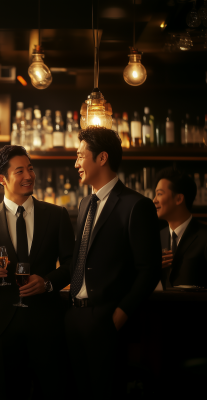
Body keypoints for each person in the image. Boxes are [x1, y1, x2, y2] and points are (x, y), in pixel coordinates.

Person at [0, 145, 74, 400]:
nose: (29, 175)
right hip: (4, 324)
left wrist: (47, 283)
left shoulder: (57, 215)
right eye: (20, 171)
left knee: (53, 391)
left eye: (30, 169)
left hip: (47, 322)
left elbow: (72, 265)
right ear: (1, 178)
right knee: (10, 392)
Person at [65, 126, 161, 399]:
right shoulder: (85, 203)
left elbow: (149, 269)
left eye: (81, 156)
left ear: (102, 158)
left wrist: (119, 315)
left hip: (106, 318)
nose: (76, 163)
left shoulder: (136, 205)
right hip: (74, 317)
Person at [154, 167, 207, 289]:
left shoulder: (204, 237)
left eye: (159, 194)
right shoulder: (156, 238)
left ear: (179, 198)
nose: (154, 200)